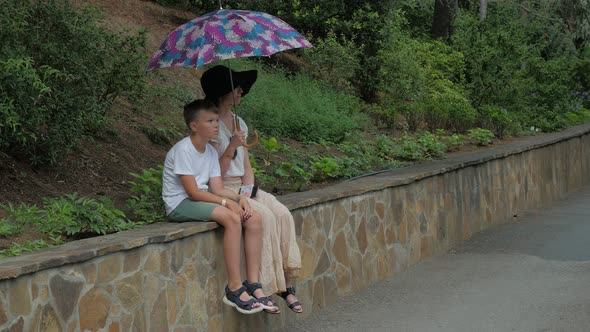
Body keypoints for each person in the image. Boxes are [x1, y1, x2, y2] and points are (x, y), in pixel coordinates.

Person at [201, 65, 303, 313]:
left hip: (243, 186)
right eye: (235, 87)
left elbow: (246, 165)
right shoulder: (211, 124)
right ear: (222, 91)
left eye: (241, 87)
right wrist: (232, 145)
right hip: (222, 188)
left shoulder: (239, 122)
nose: (241, 91)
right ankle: (259, 286)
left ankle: (286, 285)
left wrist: (249, 188)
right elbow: (216, 173)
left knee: (282, 214)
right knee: (264, 217)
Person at [162, 99, 277, 314]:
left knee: (253, 217)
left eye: (216, 120)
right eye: (210, 121)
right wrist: (227, 204)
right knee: (232, 218)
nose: (216, 125)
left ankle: (253, 284)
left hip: (200, 199)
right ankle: (234, 287)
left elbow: (217, 188)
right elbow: (193, 192)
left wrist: (237, 198)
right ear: (194, 126)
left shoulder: (210, 152)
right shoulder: (183, 150)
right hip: (180, 204)